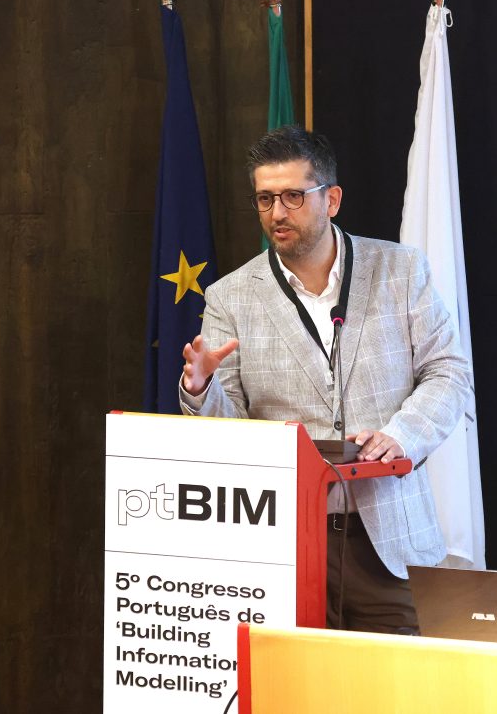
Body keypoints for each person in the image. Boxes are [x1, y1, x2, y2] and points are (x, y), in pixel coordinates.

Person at [178, 125, 472, 634]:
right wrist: (202, 390)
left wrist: (400, 436)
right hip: (286, 546)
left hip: (391, 541)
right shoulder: (230, 296)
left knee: (402, 679)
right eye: (265, 199)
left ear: (331, 199)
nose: (277, 212)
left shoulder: (401, 270)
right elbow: (233, 428)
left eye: (293, 196)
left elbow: (449, 372)